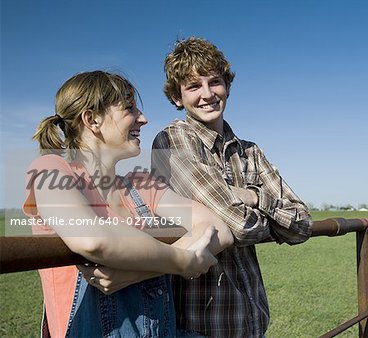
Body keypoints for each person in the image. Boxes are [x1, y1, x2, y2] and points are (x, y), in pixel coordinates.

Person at [23, 70, 234, 338]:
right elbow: (92, 239)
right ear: (92, 119)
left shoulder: (142, 185)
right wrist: (182, 260)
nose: (143, 119)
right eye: (129, 108)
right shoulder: (50, 171)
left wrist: (132, 273)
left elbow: (219, 229)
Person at [149, 37, 314, 337]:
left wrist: (253, 196)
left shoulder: (250, 151)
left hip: (252, 320)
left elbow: (303, 225)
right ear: (177, 97)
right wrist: (273, 221)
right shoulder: (172, 140)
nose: (208, 94)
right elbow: (238, 225)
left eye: (215, 82)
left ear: (227, 85)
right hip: (201, 325)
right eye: (193, 86)